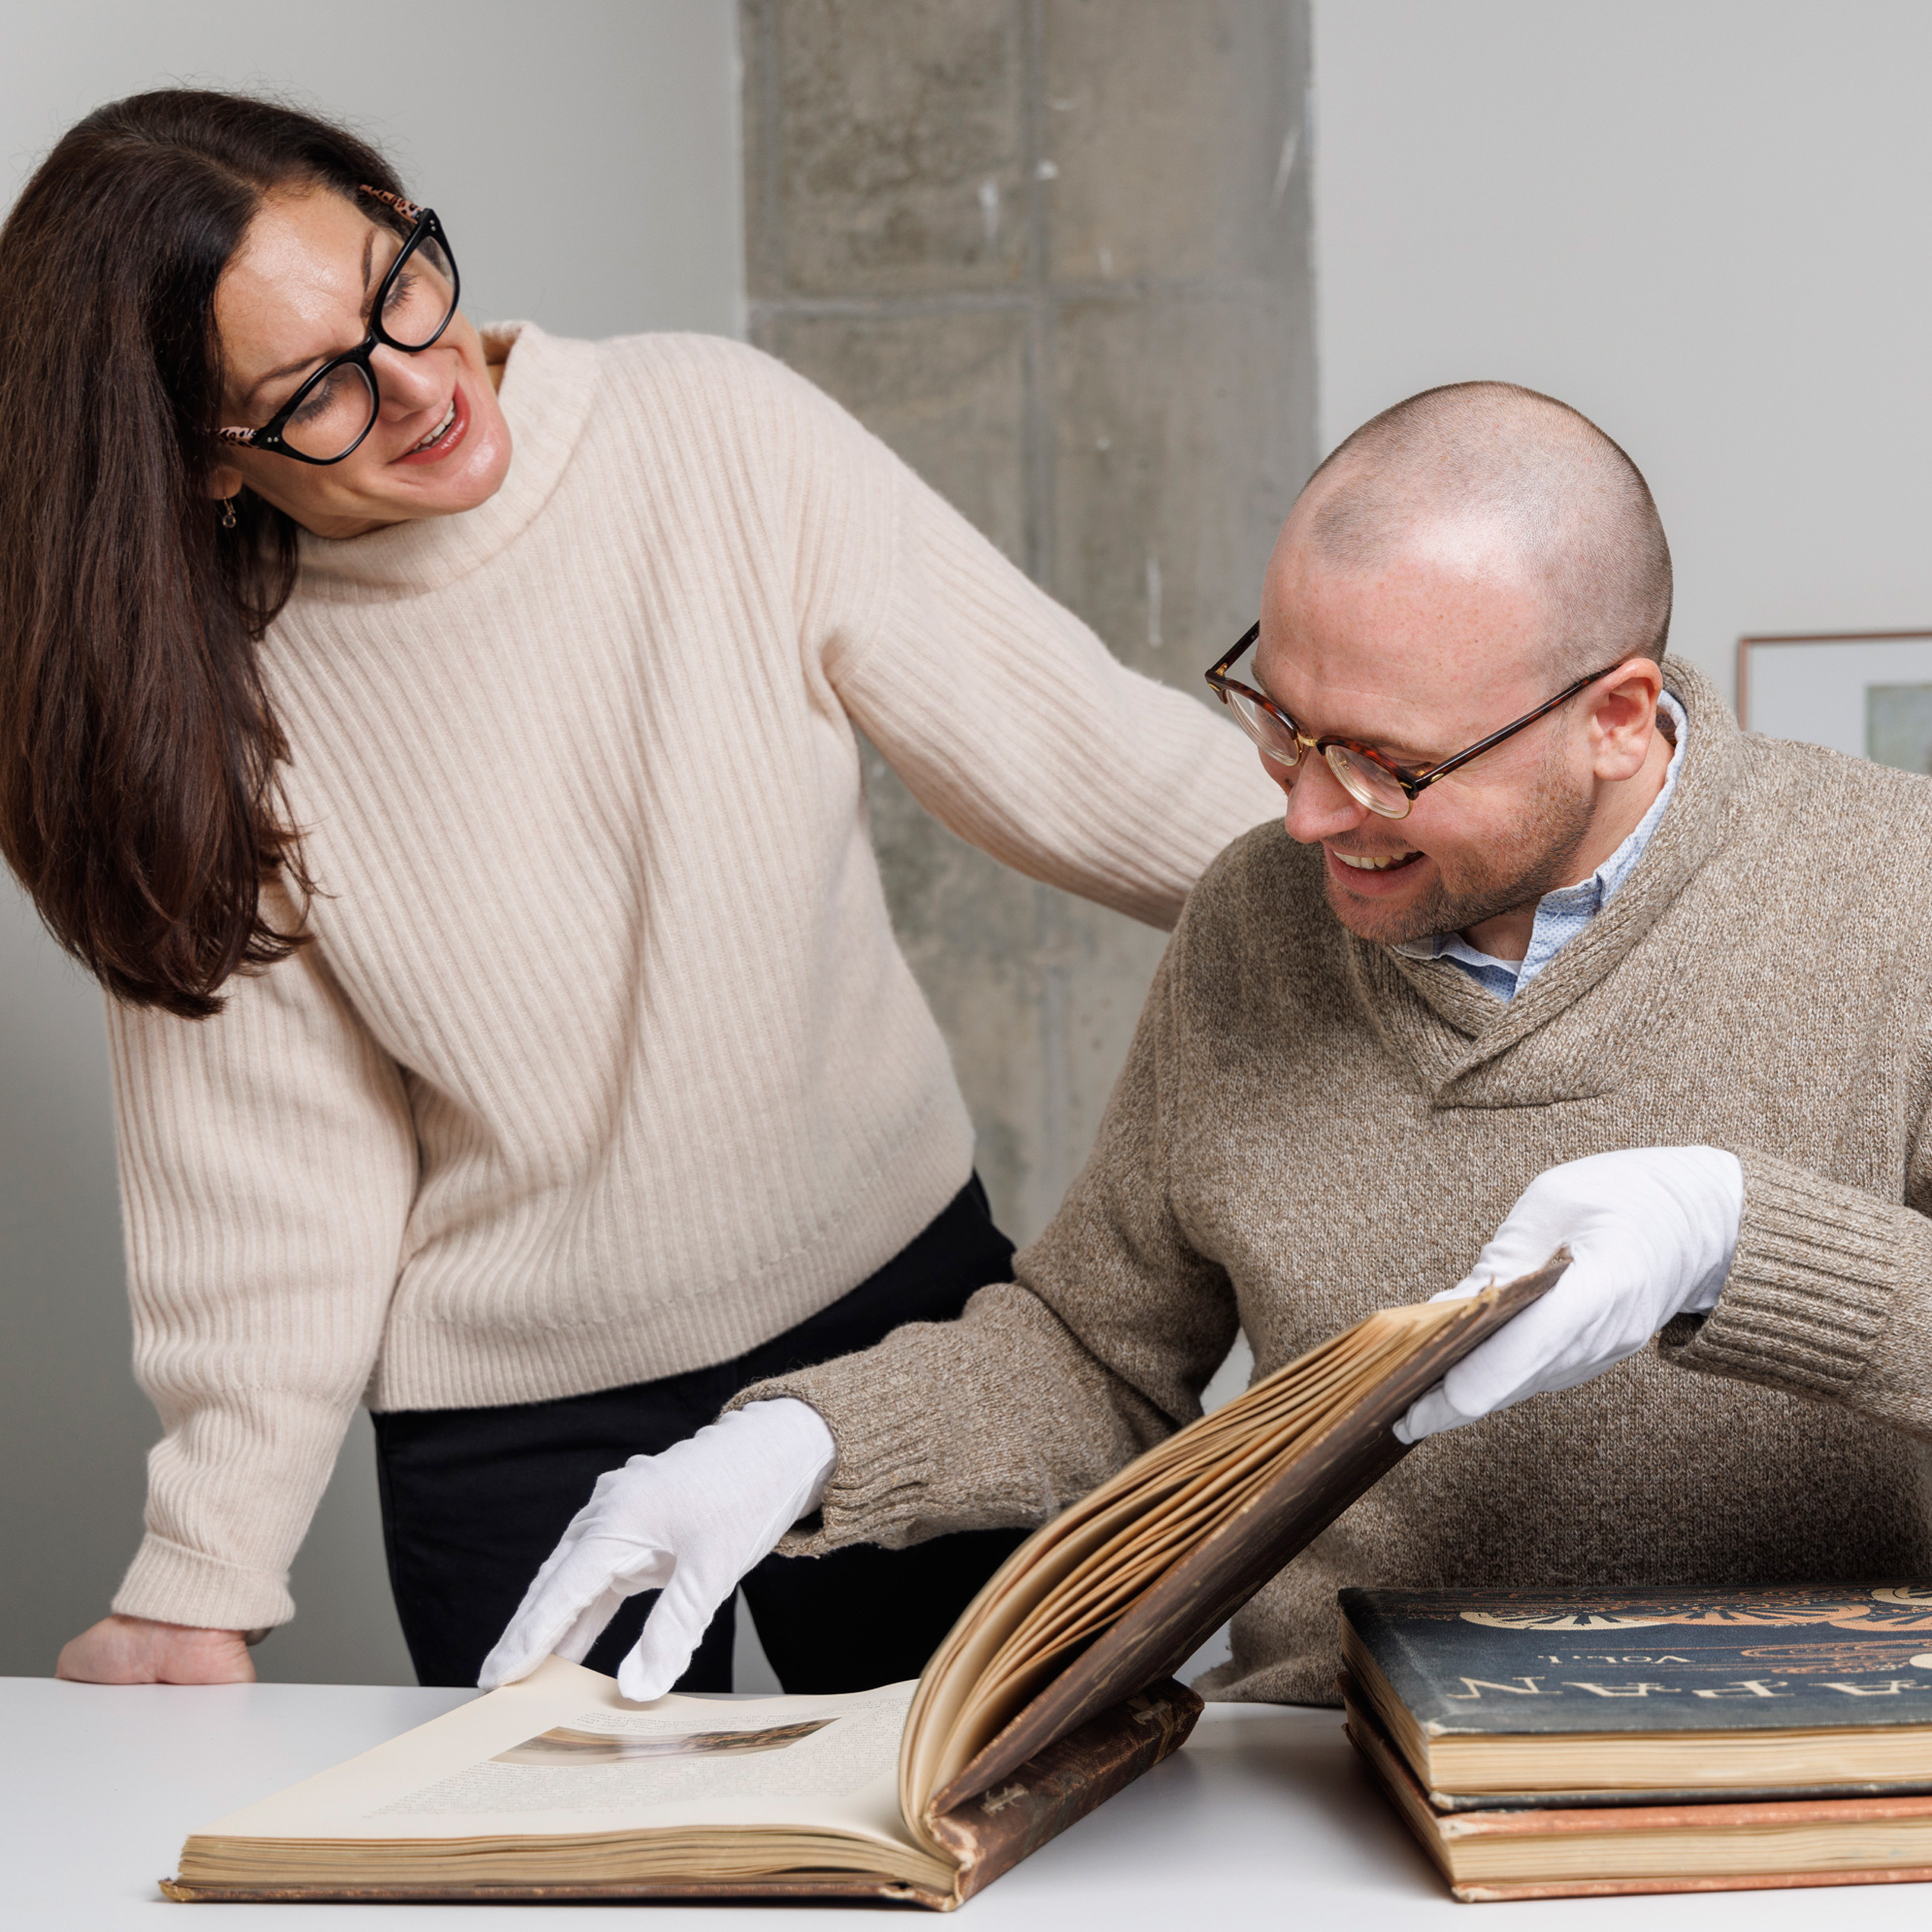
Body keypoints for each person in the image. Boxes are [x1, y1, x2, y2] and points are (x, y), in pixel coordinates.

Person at [0, 90, 1280, 1691]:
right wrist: (202, 1573)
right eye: (316, 389)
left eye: (398, 286)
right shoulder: (207, 705)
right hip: (511, 1422)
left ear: (401, 208)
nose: (416, 383)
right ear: (202, 464)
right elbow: (272, 1182)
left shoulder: (714, 431)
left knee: (1017, 1842)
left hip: (901, 1333)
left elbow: (1088, 757)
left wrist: (1438, 855)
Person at [484, 379, 1932, 1708]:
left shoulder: (1894, 892)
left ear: (1616, 717)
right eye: (1282, 721)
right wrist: (808, 1441)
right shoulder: (1258, 916)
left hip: (1805, 1766)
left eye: (1386, 762)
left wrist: (1745, 1246)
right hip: (1329, 1761)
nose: (1306, 813)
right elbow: (1097, 1352)